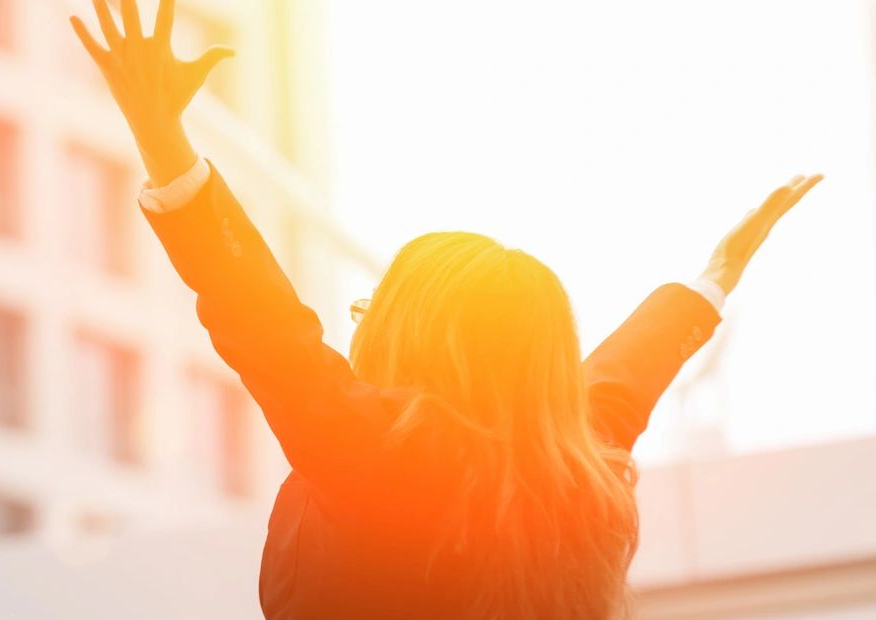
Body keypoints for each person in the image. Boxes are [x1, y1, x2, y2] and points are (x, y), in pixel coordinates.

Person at [70, 2, 824, 618]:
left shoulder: (385, 460)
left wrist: (162, 140)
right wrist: (711, 280)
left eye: (373, 307)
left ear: (418, 332)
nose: (358, 322)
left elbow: (264, 322)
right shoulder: (568, 475)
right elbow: (630, 371)